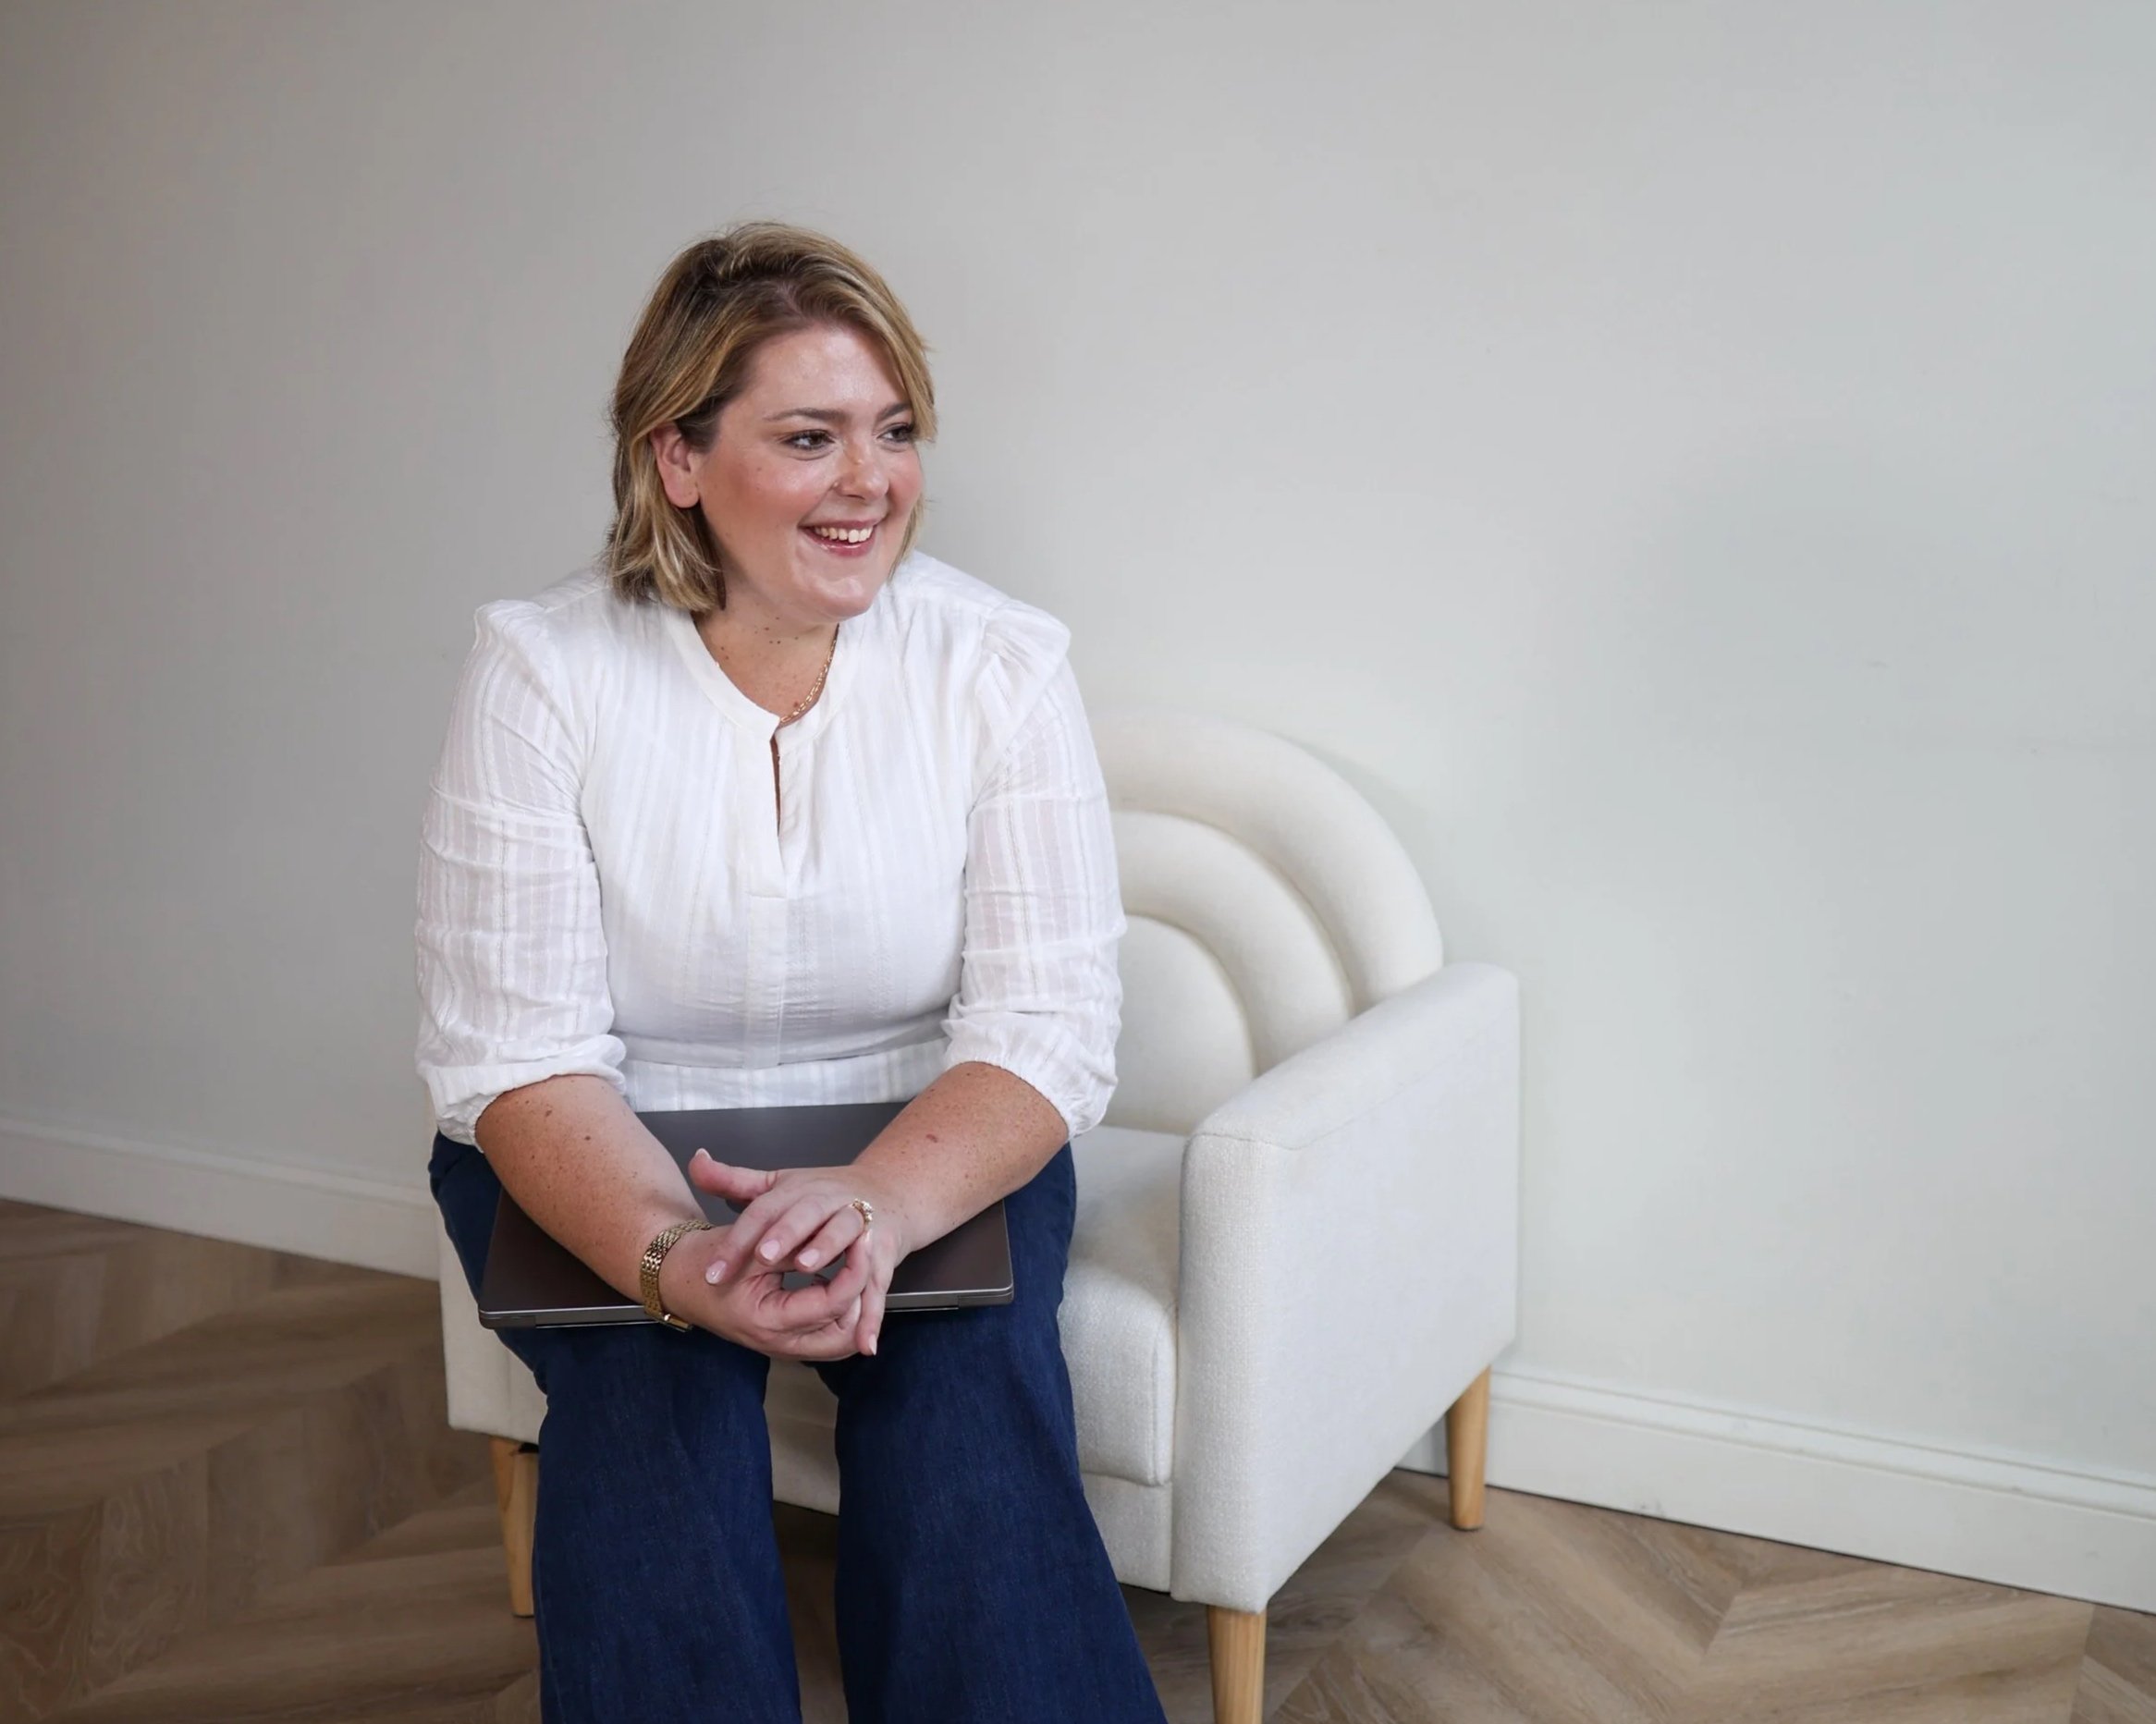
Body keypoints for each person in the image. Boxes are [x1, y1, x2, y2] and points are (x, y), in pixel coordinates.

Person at [415, 222, 1167, 1724]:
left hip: (926, 1136)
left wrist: (880, 1204)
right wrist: (667, 1259)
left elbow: (1049, 1025)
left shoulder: (999, 664)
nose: (870, 480)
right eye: (808, 436)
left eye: (893, 432)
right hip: (614, 1137)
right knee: (653, 1395)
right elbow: (513, 1049)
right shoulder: (541, 668)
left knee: (963, 1401)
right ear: (677, 458)